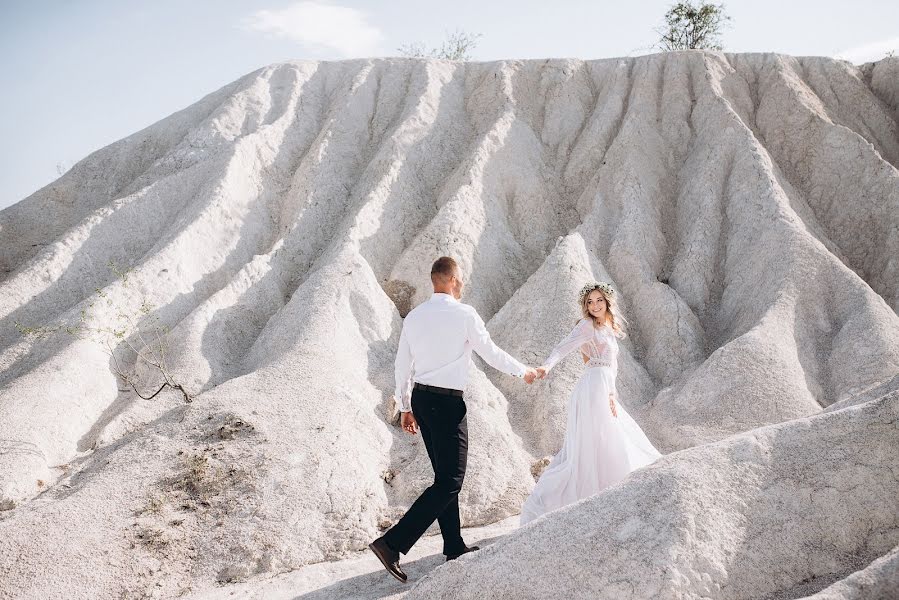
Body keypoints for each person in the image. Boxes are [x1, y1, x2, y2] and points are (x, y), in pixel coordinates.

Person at [368, 256, 538, 582]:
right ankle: (392, 544)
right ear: (451, 279)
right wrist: (523, 371)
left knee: (443, 476)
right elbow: (490, 353)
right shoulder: (464, 315)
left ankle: (454, 545)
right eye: (459, 278)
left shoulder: (415, 317)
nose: (461, 284)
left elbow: (402, 365)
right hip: (447, 405)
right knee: (451, 480)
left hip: (421, 398)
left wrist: (405, 406)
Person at [519, 281, 662, 526]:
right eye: (590, 302)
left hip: (604, 388)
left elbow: (613, 367)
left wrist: (612, 393)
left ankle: (610, 495)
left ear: (607, 302)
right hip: (591, 388)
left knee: (608, 439)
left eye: (599, 300)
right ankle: (568, 500)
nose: (594, 305)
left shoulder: (608, 328)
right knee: (596, 442)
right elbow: (563, 347)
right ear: (585, 306)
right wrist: (547, 366)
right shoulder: (586, 326)